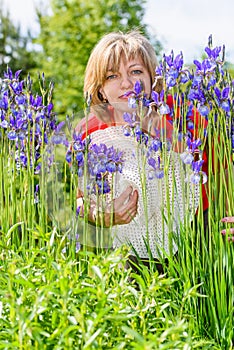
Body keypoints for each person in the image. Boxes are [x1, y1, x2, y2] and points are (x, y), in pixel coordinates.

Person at [74, 30, 200, 274]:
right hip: (126, 250)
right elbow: (81, 199)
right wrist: (102, 215)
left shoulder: (185, 116)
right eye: (112, 76)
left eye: (136, 71)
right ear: (100, 89)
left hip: (195, 240)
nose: (126, 83)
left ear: (153, 78)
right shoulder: (90, 130)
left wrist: (158, 127)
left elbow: (218, 166)